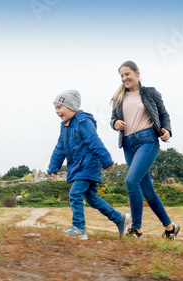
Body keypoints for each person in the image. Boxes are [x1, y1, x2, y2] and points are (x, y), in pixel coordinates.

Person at [110, 61, 180, 239]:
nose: (125, 78)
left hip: (147, 141)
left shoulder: (150, 92)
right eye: (122, 76)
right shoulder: (118, 97)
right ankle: (170, 227)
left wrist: (167, 130)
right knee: (147, 191)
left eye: (127, 74)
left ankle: (137, 229)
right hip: (128, 144)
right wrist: (115, 123)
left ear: (137, 73)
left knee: (131, 181)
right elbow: (114, 120)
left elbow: (164, 114)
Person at [48, 89, 131, 240]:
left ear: (71, 107)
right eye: (55, 108)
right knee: (92, 199)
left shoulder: (83, 121)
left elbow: (94, 141)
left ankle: (79, 228)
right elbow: (60, 147)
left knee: (74, 194)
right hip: (79, 168)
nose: (57, 111)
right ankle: (119, 219)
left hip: (87, 166)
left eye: (59, 107)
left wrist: (106, 161)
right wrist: (54, 166)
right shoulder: (65, 126)